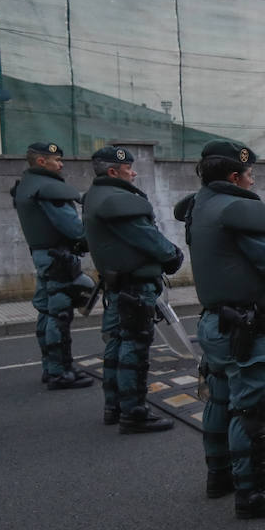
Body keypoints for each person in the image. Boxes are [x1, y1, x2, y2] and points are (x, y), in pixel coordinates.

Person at [180, 141, 265, 518]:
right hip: (243, 328)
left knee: (219, 399)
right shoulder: (238, 210)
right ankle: (252, 495)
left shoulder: (200, 205)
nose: (253, 180)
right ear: (235, 176)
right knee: (249, 408)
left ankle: (220, 476)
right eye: (250, 174)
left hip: (213, 322)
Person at [82, 146, 184, 433]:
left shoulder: (95, 196)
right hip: (135, 287)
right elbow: (147, 237)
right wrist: (173, 255)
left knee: (116, 344)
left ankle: (114, 405)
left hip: (117, 285)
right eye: (129, 168)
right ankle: (134, 412)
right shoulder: (118, 200)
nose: (134, 172)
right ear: (113, 171)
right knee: (134, 348)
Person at [10, 141, 94, 391]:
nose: (61, 164)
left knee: (47, 312)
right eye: (55, 160)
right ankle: (60, 372)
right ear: (40, 161)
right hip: (59, 258)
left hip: (43, 255)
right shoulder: (49, 188)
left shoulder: (26, 186)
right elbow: (74, 229)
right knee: (59, 314)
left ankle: (52, 368)